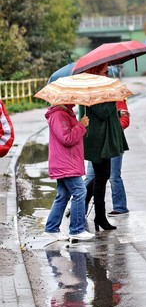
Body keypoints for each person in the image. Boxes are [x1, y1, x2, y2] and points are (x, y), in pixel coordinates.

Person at [83, 63, 128, 232]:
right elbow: (100, 112)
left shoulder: (101, 88)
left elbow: (103, 113)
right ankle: (99, 216)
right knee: (101, 178)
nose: (108, 74)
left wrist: (117, 113)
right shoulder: (93, 90)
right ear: (96, 72)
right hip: (97, 141)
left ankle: (91, 209)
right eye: (105, 72)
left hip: (104, 139)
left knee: (103, 176)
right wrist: (113, 97)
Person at [42, 102, 94, 242]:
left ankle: (52, 228)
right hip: (65, 163)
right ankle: (76, 230)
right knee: (80, 191)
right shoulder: (58, 114)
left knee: (63, 195)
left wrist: (80, 125)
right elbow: (67, 138)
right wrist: (81, 125)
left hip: (67, 161)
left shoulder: (66, 113)